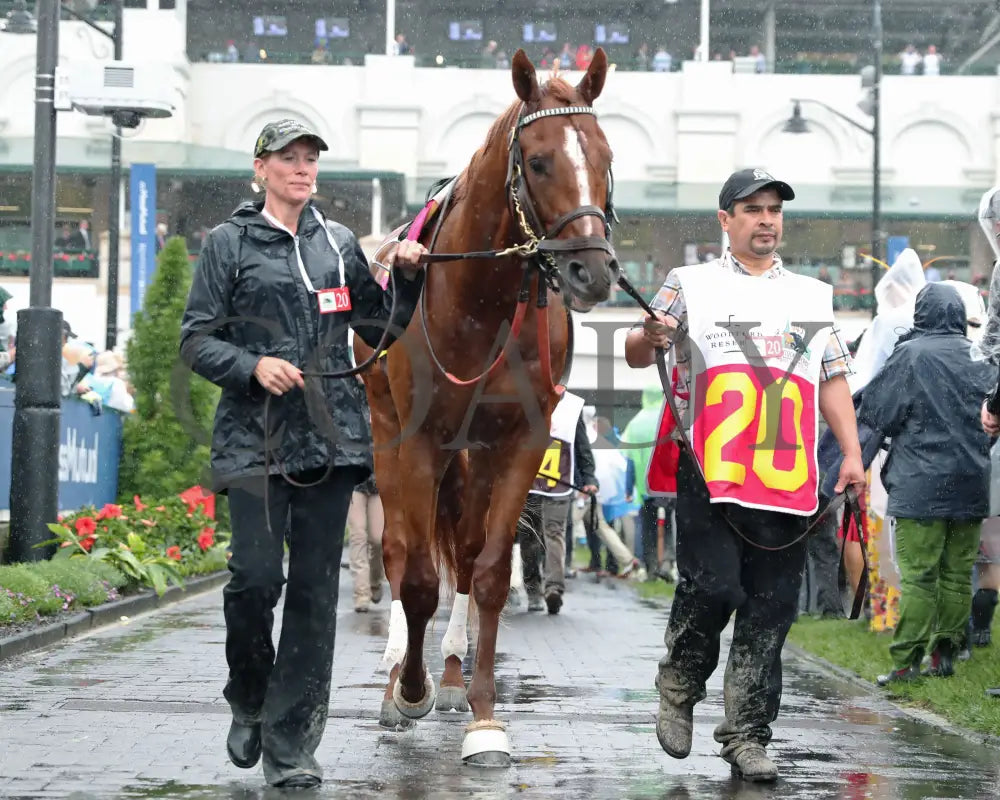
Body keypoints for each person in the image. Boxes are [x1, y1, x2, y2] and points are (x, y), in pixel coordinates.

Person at [179, 118, 428, 789]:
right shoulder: (229, 243)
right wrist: (253, 364)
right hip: (254, 442)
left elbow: (379, 329)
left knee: (316, 600)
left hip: (332, 441)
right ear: (260, 168)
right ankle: (249, 696)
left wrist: (405, 277)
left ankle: (292, 747)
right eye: (288, 158)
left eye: (310, 158)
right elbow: (196, 340)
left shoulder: (338, 243)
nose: (302, 168)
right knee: (255, 580)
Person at [625, 167, 865, 782]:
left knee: (771, 608)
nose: (765, 219)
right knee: (713, 589)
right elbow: (636, 346)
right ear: (725, 220)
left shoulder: (813, 295)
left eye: (773, 210)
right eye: (752, 209)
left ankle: (747, 735)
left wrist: (854, 456)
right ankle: (679, 682)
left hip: (787, 480)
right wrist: (648, 333)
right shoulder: (689, 283)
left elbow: (833, 379)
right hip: (708, 470)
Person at [861, 284, 993, 685]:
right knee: (956, 574)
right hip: (972, 482)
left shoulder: (912, 355)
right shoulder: (982, 356)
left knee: (920, 577)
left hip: (920, 483)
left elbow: (877, 412)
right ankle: (945, 653)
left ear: (921, 314)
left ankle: (905, 662)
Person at [518, 390, 596, 614]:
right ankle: (533, 589)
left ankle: (553, 589)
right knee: (530, 537)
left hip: (560, 484)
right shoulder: (525, 399)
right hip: (528, 485)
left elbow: (581, 446)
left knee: (553, 533)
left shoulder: (573, 407)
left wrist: (589, 478)